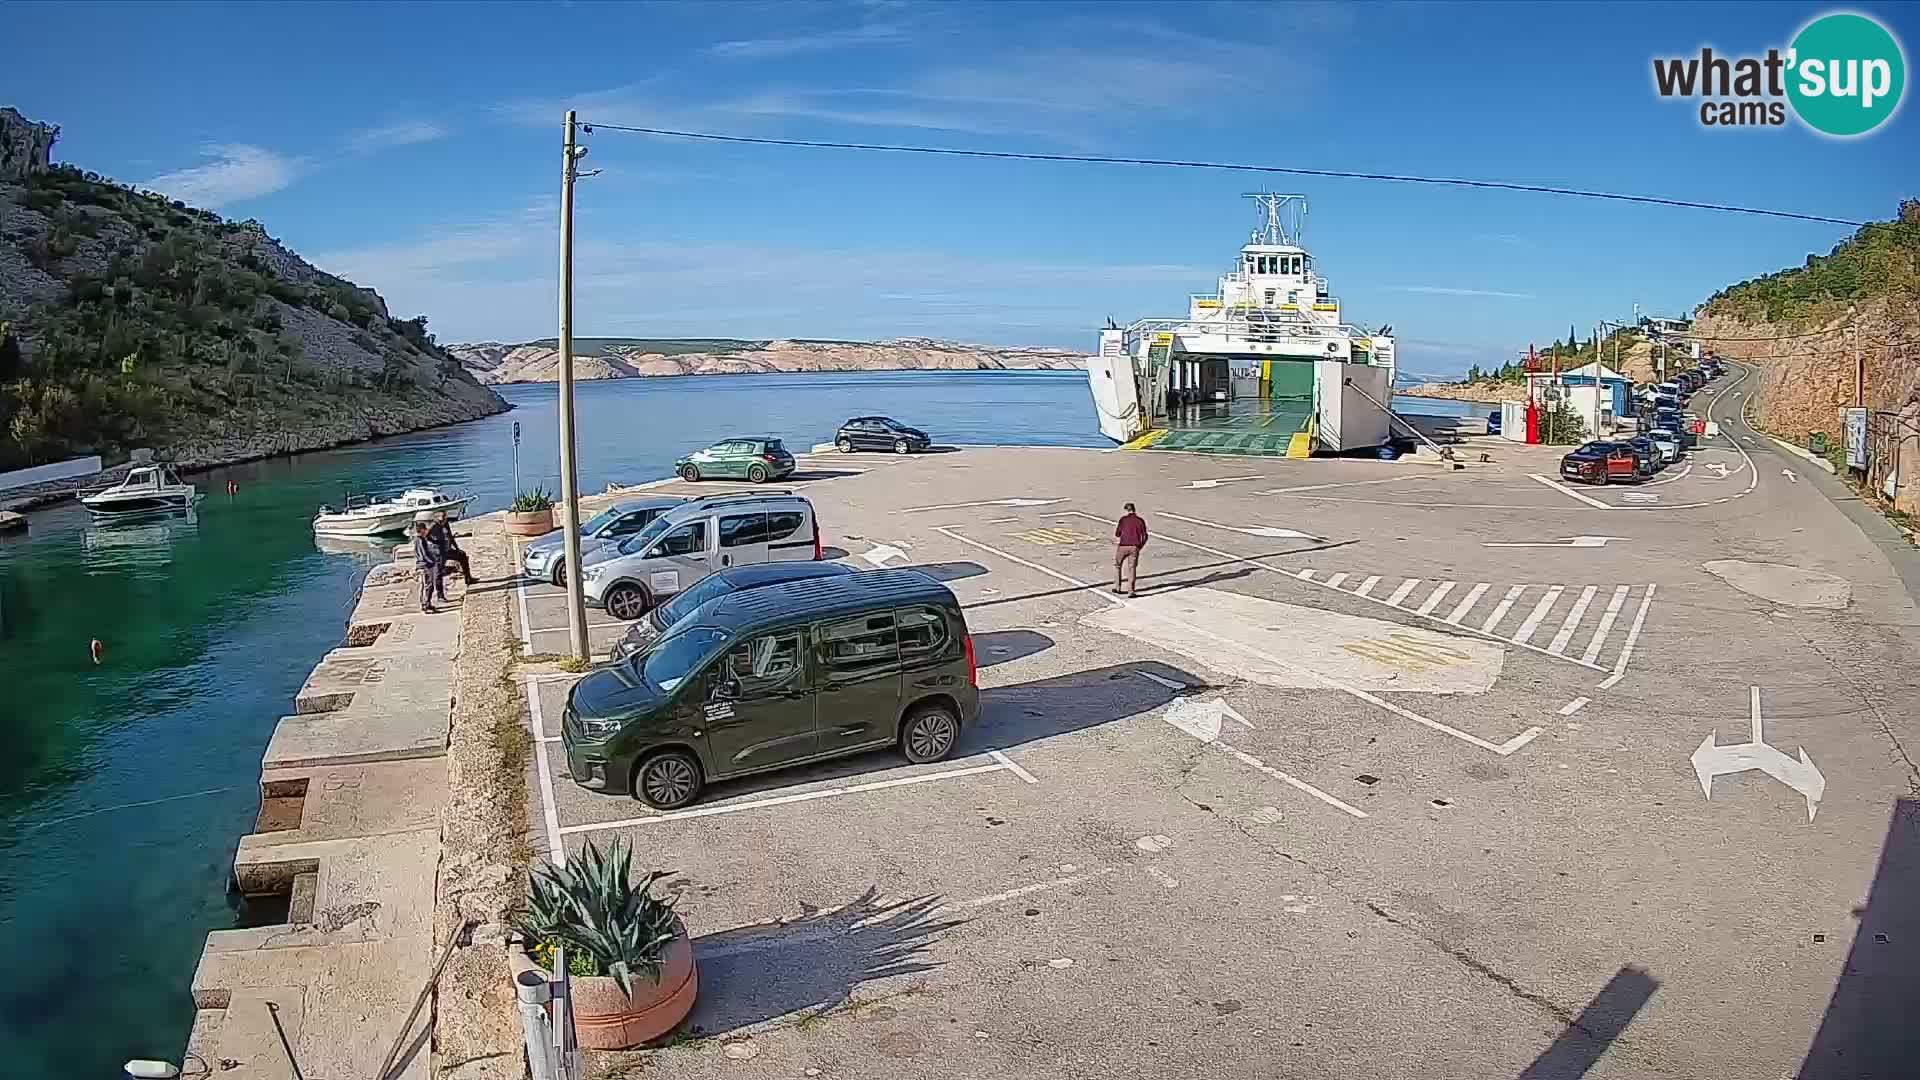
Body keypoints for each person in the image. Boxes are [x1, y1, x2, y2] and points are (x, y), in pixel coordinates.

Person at [429, 510, 475, 588]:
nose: (444, 519)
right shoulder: (434, 525)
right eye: (442, 517)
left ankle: (468, 578)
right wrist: (435, 542)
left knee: (462, 555)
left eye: (445, 517)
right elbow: (427, 535)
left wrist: (456, 548)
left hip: (447, 550)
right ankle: (440, 594)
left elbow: (450, 536)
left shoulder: (445, 524)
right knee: (439, 571)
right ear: (437, 518)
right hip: (439, 552)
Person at [1114, 502, 1148, 597]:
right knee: (1132, 568)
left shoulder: (1123, 520)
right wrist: (1139, 547)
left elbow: (1117, 534)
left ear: (1126, 510)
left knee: (1118, 565)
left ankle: (1118, 587)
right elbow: (1145, 536)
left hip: (1123, 546)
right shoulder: (1140, 521)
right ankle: (1131, 591)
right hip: (1134, 547)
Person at [412, 519, 443, 614]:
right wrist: (432, 562)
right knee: (428, 585)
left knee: (426, 585)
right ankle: (426, 605)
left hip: (422, 565)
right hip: (425, 565)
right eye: (425, 529)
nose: (426, 531)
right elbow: (424, 554)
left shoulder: (417, 540)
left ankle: (426, 604)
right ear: (421, 530)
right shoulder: (420, 540)